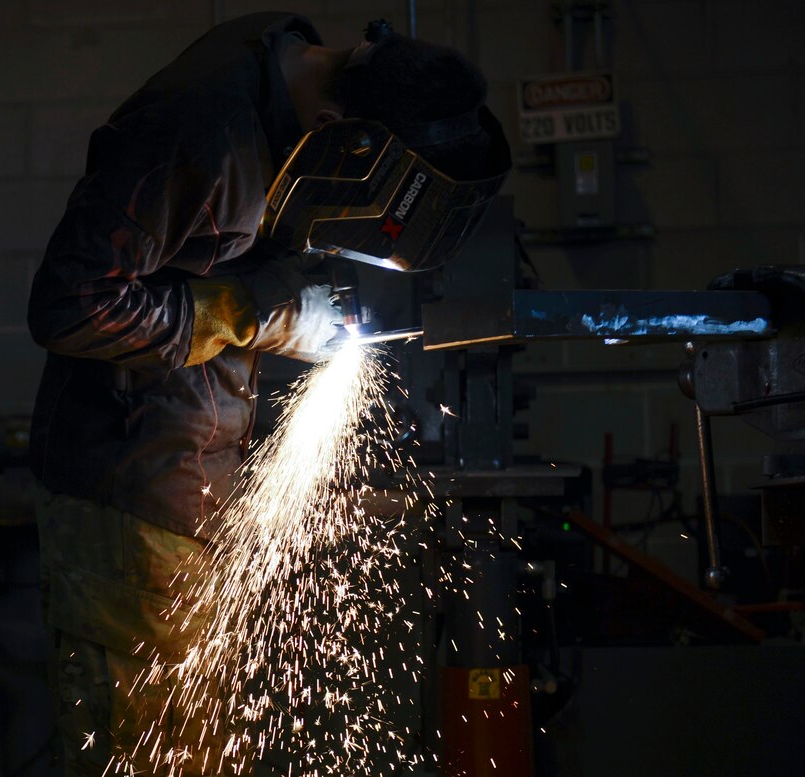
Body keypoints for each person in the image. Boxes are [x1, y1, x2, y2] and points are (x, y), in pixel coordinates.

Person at [26, 12, 508, 775]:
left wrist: (284, 299)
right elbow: (69, 303)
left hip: (186, 492)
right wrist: (252, 311)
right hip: (128, 506)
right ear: (333, 126)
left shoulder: (292, 66)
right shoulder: (200, 128)